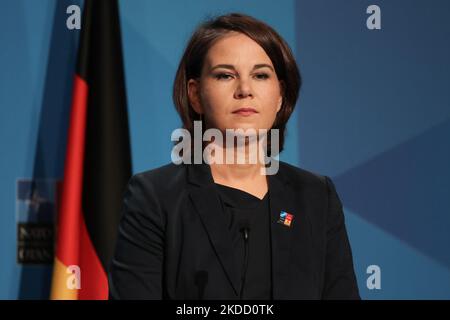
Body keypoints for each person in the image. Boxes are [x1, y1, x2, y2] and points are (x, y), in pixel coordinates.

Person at [108, 13, 360, 300]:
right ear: (195, 95)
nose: (245, 90)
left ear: (280, 95)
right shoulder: (155, 196)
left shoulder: (316, 196)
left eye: (260, 75)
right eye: (225, 75)